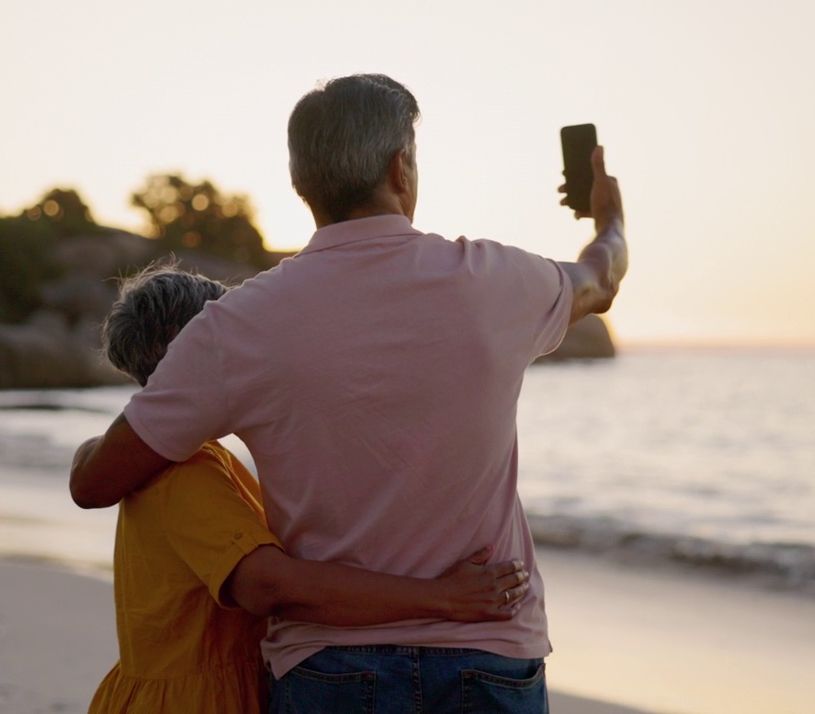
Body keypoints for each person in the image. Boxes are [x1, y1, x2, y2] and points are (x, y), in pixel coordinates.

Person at [70, 73, 627, 713]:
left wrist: (102, 439)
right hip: (490, 650)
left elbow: (96, 484)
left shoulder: (236, 326)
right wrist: (608, 216)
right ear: (401, 166)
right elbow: (602, 274)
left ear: (302, 183)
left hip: (328, 668)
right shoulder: (497, 281)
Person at [86, 265, 532, 714]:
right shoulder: (185, 475)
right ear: (192, 350)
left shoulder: (173, 459)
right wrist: (444, 598)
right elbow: (266, 586)